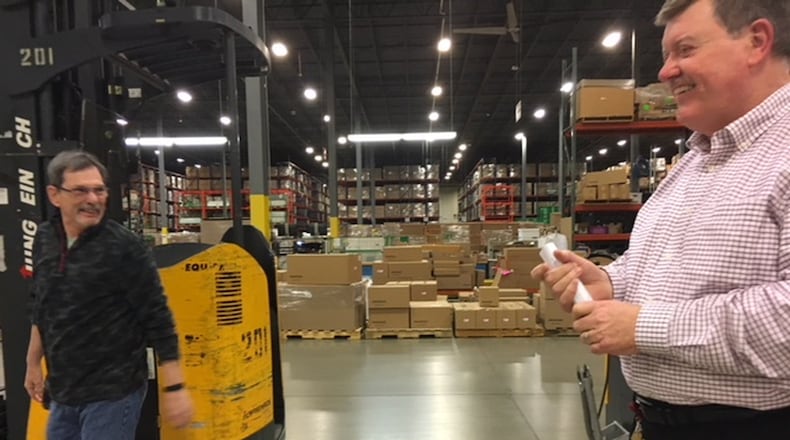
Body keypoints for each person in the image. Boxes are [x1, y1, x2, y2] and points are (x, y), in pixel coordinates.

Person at [531, 0, 790, 438]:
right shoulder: (696, 160)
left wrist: (643, 327)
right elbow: (664, 262)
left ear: (756, 41)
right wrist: (612, 282)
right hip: (661, 422)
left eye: (685, 50)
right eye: (667, 55)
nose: (667, 72)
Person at [24, 150, 194, 439]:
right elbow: (43, 305)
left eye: (99, 190)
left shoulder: (124, 247)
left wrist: (175, 387)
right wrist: (32, 363)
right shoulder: (45, 238)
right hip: (64, 390)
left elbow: (158, 318)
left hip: (113, 392)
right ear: (55, 195)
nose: (92, 199)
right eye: (80, 190)